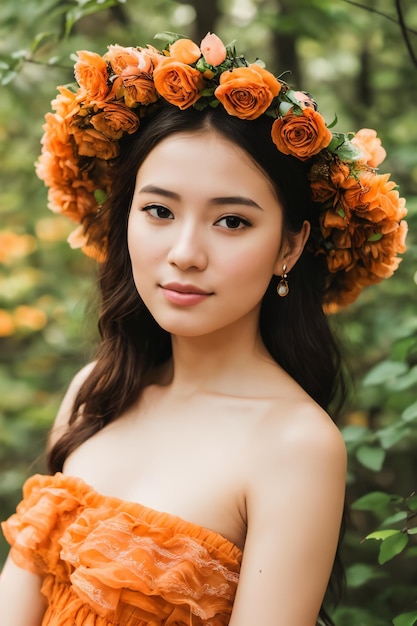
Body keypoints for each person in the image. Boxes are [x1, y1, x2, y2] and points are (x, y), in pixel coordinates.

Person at [0, 31, 407, 626]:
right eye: (159, 211)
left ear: (289, 247)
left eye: (232, 221)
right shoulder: (97, 389)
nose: (185, 253)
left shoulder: (295, 446)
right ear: (126, 216)